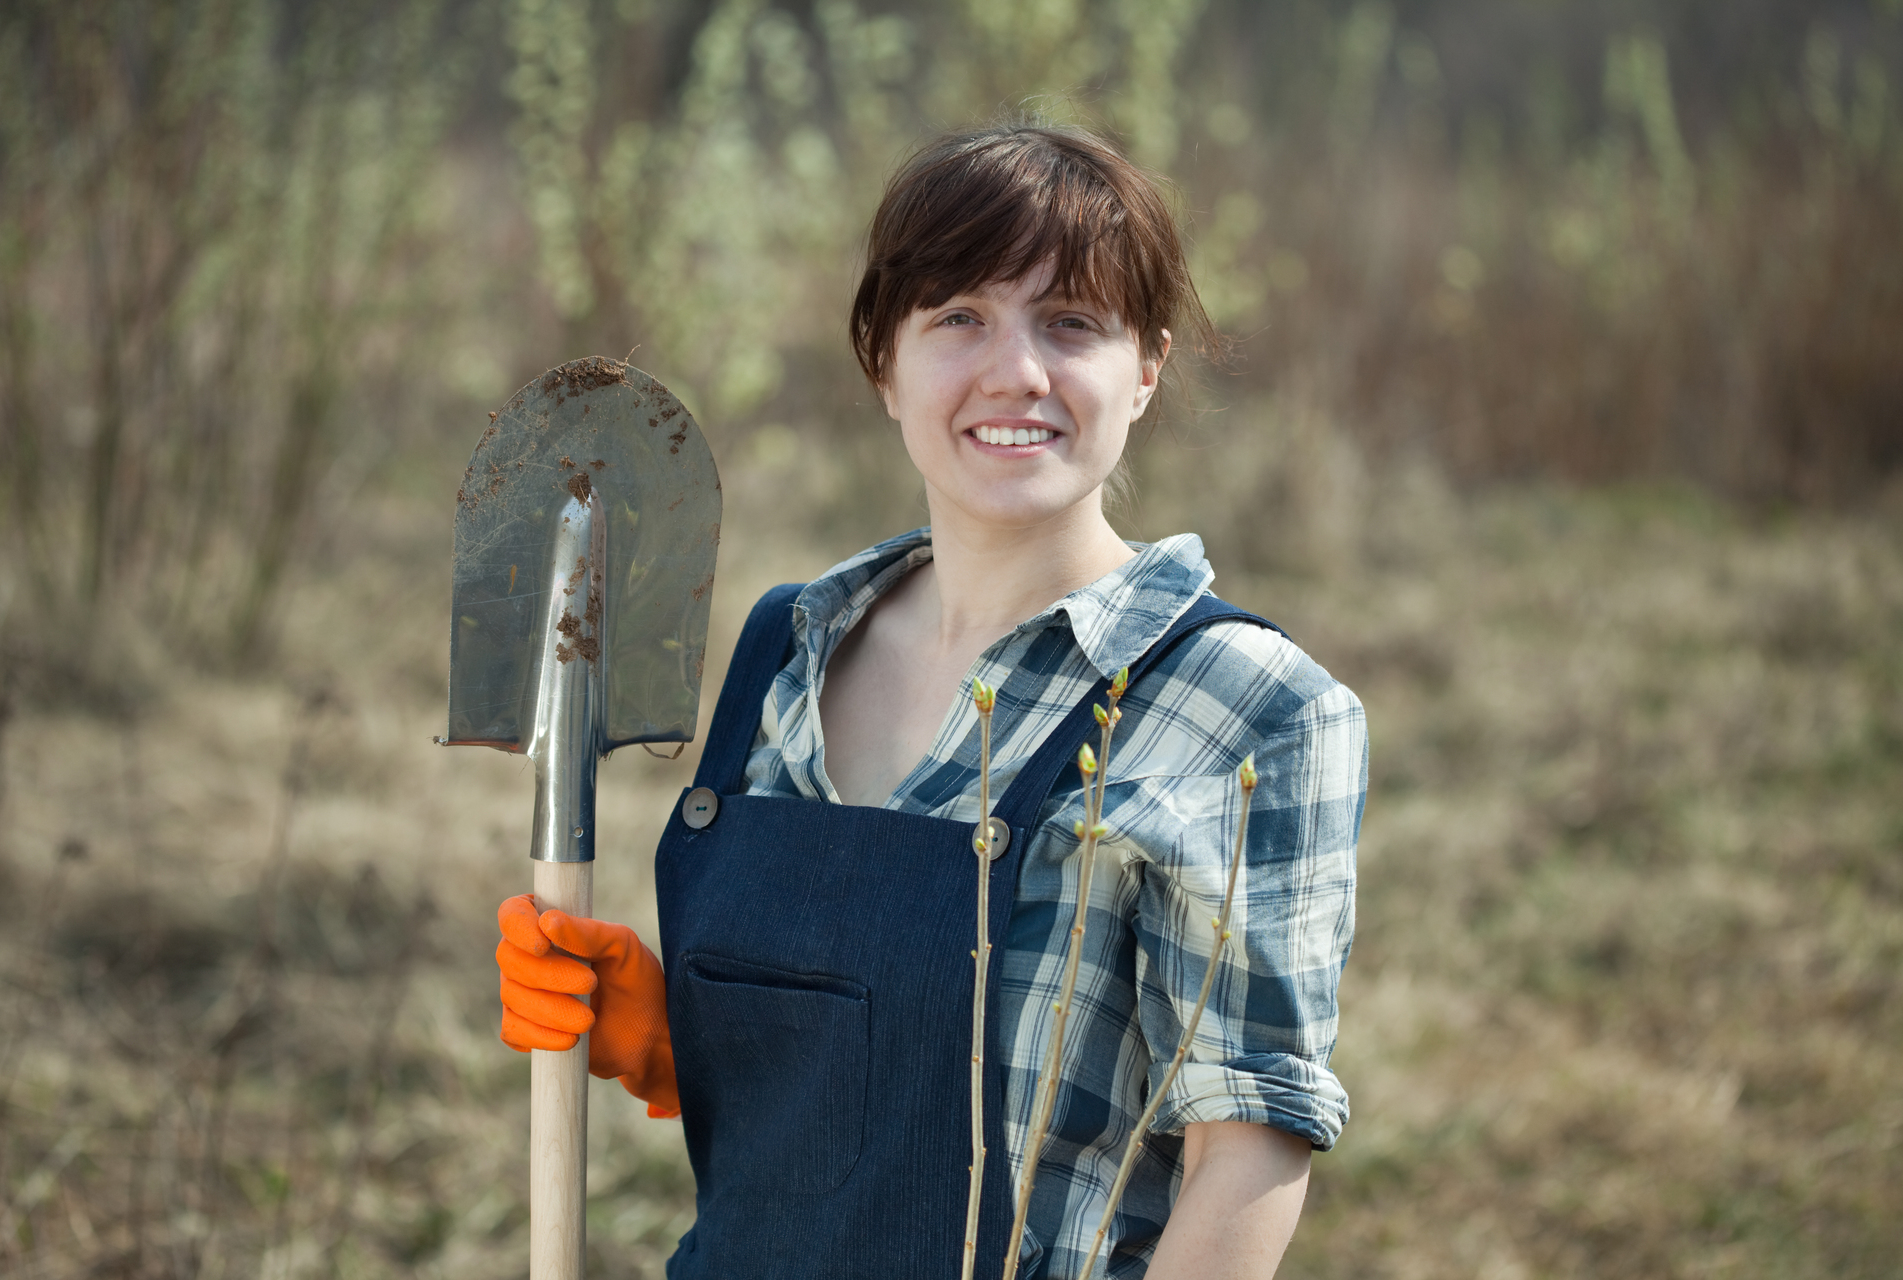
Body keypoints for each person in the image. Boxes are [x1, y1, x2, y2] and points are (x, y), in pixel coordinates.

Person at [495, 122, 1367, 1280]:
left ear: (1147, 368)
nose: (1017, 372)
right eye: (960, 316)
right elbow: (836, 1101)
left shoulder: (1244, 708)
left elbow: (1246, 1156)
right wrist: (668, 1036)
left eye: (1073, 322)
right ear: (883, 360)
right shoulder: (786, 651)